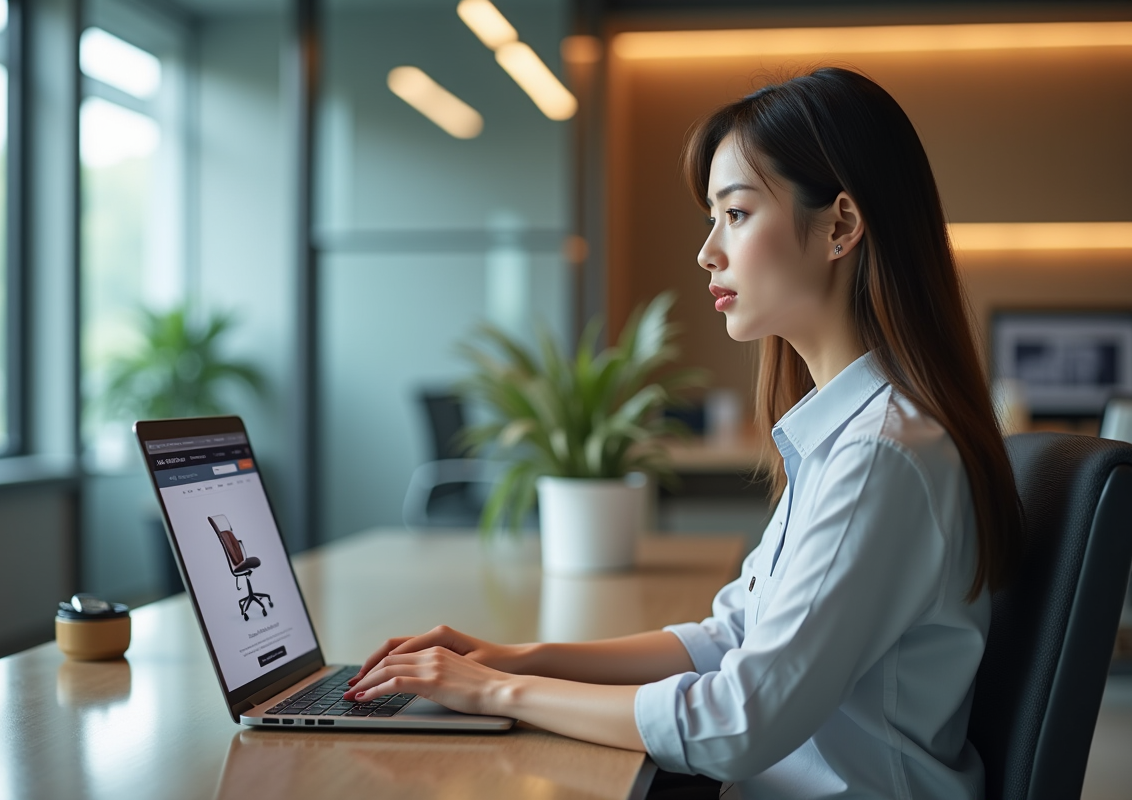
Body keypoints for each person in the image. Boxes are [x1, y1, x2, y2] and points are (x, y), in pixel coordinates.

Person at [345, 67, 1022, 799]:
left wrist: (491, 693)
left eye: (734, 214)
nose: (707, 252)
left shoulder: (880, 456)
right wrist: (520, 658)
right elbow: (730, 639)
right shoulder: (849, 438)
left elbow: (737, 721)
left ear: (841, 226)